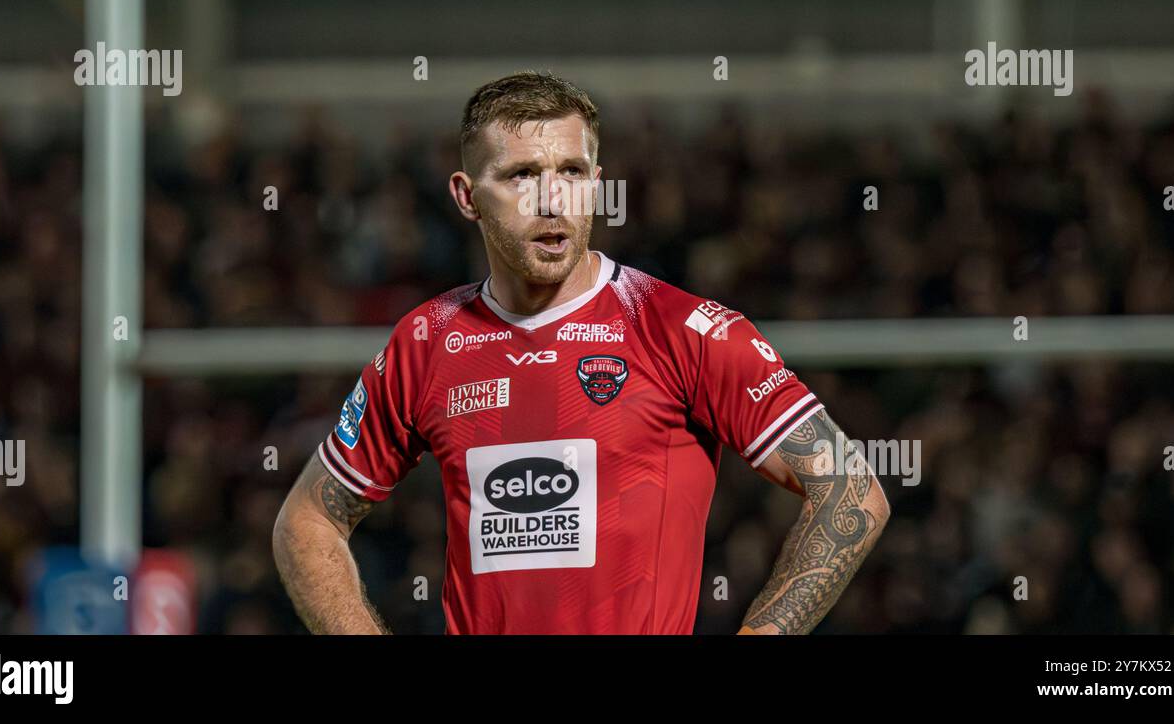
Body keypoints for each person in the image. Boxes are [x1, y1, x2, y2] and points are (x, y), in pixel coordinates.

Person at [273, 71, 889, 634]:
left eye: (571, 172)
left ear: (596, 183)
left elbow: (851, 491)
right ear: (466, 196)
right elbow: (306, 523)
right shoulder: (426, 342)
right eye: (520, 175)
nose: (552, 200)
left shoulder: (683, 329)